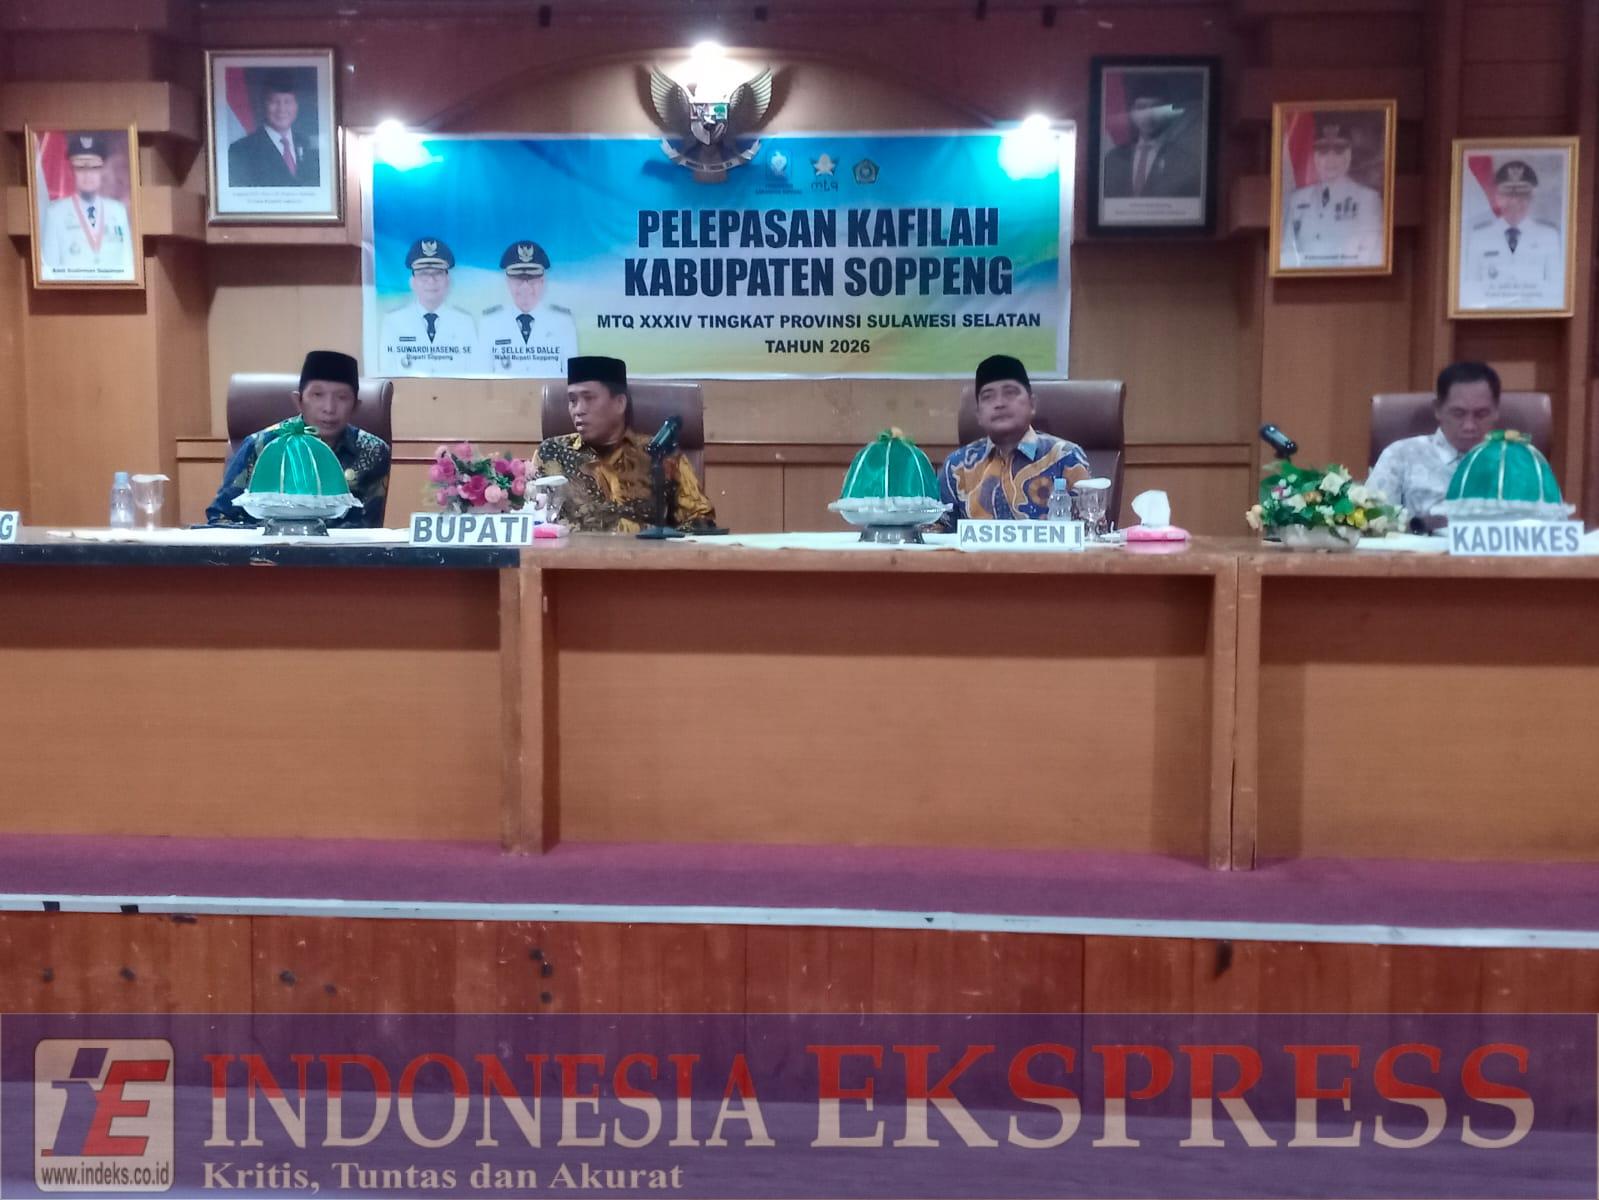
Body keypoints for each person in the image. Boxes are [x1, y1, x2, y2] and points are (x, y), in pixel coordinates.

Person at [533, 355, 715, 533]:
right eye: (572, 401)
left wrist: (664, 542)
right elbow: (534, 517)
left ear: (620, 403)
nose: (578, 410)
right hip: (574, 552)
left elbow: (700, 519)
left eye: (589, 398)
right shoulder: (553, 453)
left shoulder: (661, 454)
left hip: (646, 552)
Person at [207, 350, 390, 527]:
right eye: (317, 395)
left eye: (342, 397)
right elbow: (220, 518)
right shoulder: (262, 445)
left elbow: (369, 528)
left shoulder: (373, 450)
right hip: (265, 546)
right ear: (298, 401)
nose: (329, 408)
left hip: (340, 548)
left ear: (356, 406)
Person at [934, 354, 1091, 531]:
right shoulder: (957, 467)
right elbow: (938, 536)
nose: (999, 403)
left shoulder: (1066, 458)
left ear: (1032, 404)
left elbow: (1089, 533)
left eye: (1010, 393)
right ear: (978, 414)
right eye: (988, 397)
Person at [1367, 361, 1502, 524]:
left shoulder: (1515, 463)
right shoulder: (1399, 455)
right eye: (1458, 413)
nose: (1469, 426)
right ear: (1437, 409)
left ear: (1496, 411)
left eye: (1481, 414)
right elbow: (1373, 525)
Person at [1461, 160, 1563, 309]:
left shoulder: (1549, 236)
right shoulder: (1479, 237)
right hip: (1489, 316)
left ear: (1531, 198)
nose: (1514, 202)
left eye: (1522, 195)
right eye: (1508, 195)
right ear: (1497, 198)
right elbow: (1471, 288)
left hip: (1535, 316)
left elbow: (1556, 289)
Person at [1282, 120, 1384, 268]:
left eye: (1339, 151)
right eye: (1323, 152)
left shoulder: (1368, 199)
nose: (1331, 160)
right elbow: (1286, 254)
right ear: (1315, 157)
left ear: (1348, 156)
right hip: (1303, 279)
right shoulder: (1297, 200)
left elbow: (1372, 256)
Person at [38, 132, 135, 278]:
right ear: (71, 171)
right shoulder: (55, 213)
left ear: (102, 170)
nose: (88, 174)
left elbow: (128, 267)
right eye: (80, 167)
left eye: (94, 167)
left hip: (114, 290)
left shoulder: (118, 211)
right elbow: (49, 271)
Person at [378, 237, 478, 375]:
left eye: (438, 273)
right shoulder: (393, 321)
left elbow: (475, 371)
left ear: (448, 280)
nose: (431, 280)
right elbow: (386, 372)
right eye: (423, 273)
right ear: (412, 282)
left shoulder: (465, 322)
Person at [480, 240, 580, 376]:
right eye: (518, 279)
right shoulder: (490, 322)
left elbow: (571, 377)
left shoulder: (563, 322)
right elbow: (482, 376)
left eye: (532, 279)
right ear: (508, 281)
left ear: (542, 281)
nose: (525, 287)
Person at [1101, 76, 1201, 199]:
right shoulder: (1112, 159)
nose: (1148, 115)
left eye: (1156, 107)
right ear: (1132, 112)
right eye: (1141, 107)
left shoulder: (1187, 163)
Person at [226, 73, 319, 188]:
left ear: (297, 105)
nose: (282, 109)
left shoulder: (308, 145)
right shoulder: (241, 150)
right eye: (274, 102)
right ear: (263, 105)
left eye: (288, 101)